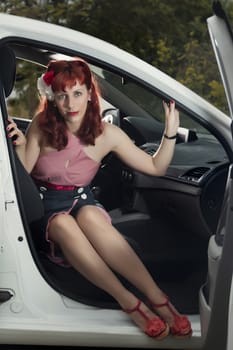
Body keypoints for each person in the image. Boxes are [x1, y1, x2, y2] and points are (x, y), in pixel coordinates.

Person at [7, 57, 192, 339]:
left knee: (91, 215)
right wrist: (18, 144)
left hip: (81, 202)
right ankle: (129, 302)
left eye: (78, 93)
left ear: (90, 94)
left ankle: (157, 297)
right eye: (62, 96)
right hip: (44, 210)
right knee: (63, 224)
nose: (71, 104)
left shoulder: (109, 135)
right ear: (52, 98)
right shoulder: (41, 126)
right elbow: (21, 176)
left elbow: (156, 168)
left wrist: (169, 134)